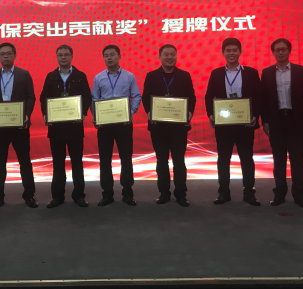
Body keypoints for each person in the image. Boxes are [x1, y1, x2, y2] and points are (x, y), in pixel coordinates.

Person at [261, 38, 303, 209]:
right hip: (276, 120)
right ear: (273, 52)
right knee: (278, 161)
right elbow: (264, 100)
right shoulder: (267, 73)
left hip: (296, 120)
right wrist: (265, 121)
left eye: (283, 49)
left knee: (296, 161)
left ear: (289, 51)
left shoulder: (301, 71)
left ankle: (299, 196)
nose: (280, 52)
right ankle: (279, 194)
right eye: (277, 49)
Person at [204, 38, 262, 206]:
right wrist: (211, 115)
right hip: (224, 125)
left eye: (234, 50)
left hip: (245, 124)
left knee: (247, 158)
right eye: (228, 50)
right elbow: (209, 96)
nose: (231, 53)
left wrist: (255, 115)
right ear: (223, 53)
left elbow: (259, 97)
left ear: (240, 52)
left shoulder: (251, 73)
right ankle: (223, 192)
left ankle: (249, 193)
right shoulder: (216, 73)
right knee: (223, 159)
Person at [0, 42, 38, 209]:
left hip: (19, 127)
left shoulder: (24, 74)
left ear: (15, 55)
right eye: (2, 54)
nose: (6, 56)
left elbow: (31, 97)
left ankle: (29, 195)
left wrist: (26, 115)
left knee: (25, 161)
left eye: (9, 53)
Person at [142, 44, 196, 206]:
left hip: (179, 128)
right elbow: (146, 97)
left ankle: (181, 194)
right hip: (159, 127)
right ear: (160, 57)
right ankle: (163, 193)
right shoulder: (151, 76)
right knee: (161, 161)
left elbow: (191, 97)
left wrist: (189, 112)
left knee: (179, 161)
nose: (169, 57)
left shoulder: (184, 76)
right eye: (166, 54)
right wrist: (149, 112)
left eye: (172, 54)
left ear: (176, 56)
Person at [39, 45, 92, 208]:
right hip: (56, 129)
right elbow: (44, 98)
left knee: (77, 163)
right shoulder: (51, 76)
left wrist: (83, 112)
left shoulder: (80, 76)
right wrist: (46, 114)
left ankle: (79, 195)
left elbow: (87, 97)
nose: (63, 57)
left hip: (75, 127)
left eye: (66, 55)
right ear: (56, 57)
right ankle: (57, 196)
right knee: (58, 164)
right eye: (60, 55)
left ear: (72, 56)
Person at [91, 44, 142, 206]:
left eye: (112, 54)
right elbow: (94, 99)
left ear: (119, 56)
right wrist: (96, 117)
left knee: (126, 158)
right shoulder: (98, 78)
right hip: (105, 125)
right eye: (106, 55)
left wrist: (130, 112)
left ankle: (127, 193)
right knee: (104, 160)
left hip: (123, 124)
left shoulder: (129, 76)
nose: (109, 58)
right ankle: (107, 194)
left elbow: (136, 96)